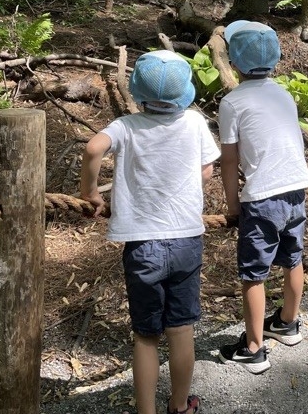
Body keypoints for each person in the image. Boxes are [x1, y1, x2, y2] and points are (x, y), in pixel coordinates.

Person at [79, 49, 219, 414]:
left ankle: (145, 411)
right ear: (184, 92)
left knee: (145, 335)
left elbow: (93, 148)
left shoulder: (126, 126)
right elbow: (207, 171)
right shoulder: (194, 122)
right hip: (186, 238)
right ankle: (179, 405)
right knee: (181, 329)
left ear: (138, 93)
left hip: (143, 246)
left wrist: (90, 193)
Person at [217, 20, 308, 374]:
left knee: (253, 273)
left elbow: (229, 159)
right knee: (293, 258)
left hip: (263, 198)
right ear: (274, 59)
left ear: (235, 63)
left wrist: (232, 204)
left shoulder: (232, 102)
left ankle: (254, 348)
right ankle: (287, 323)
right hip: (296, 190)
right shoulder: (283, 93)